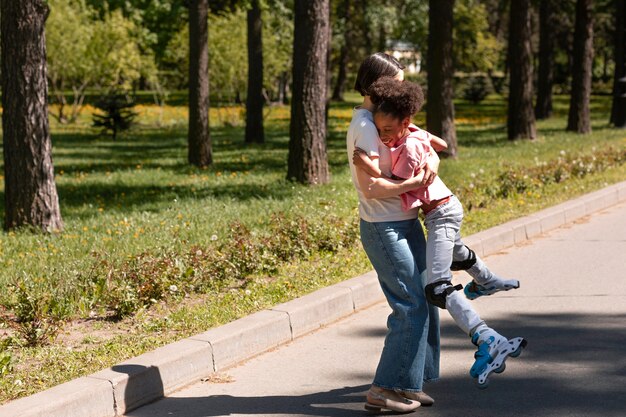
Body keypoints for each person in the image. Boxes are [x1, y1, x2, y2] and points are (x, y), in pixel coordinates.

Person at [353, 76, 526, 389]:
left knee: (436, 289)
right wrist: (430, 151)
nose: (384, 138)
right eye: (379, 132)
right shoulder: (415, 133)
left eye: (389, 131)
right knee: (455, 254)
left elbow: (394, 182)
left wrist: (367, 165)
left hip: (441, 215)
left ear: (404, 122)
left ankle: (488, 339)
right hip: (443, 210)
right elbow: (442, 144)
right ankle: (486, 280)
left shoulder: (406, 148)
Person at [347, 53, 440, 413]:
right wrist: (416, 182)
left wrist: (430, 162)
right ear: (377, 85)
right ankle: (384, 389)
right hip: (384, 227)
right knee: (410, 305)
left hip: (404, 221)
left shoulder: (385, 118)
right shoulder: (367, 126)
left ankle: (410, 381)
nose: (402, 90)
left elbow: (426, 145)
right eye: (397, 83)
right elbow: (371, 188)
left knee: (426, 299)